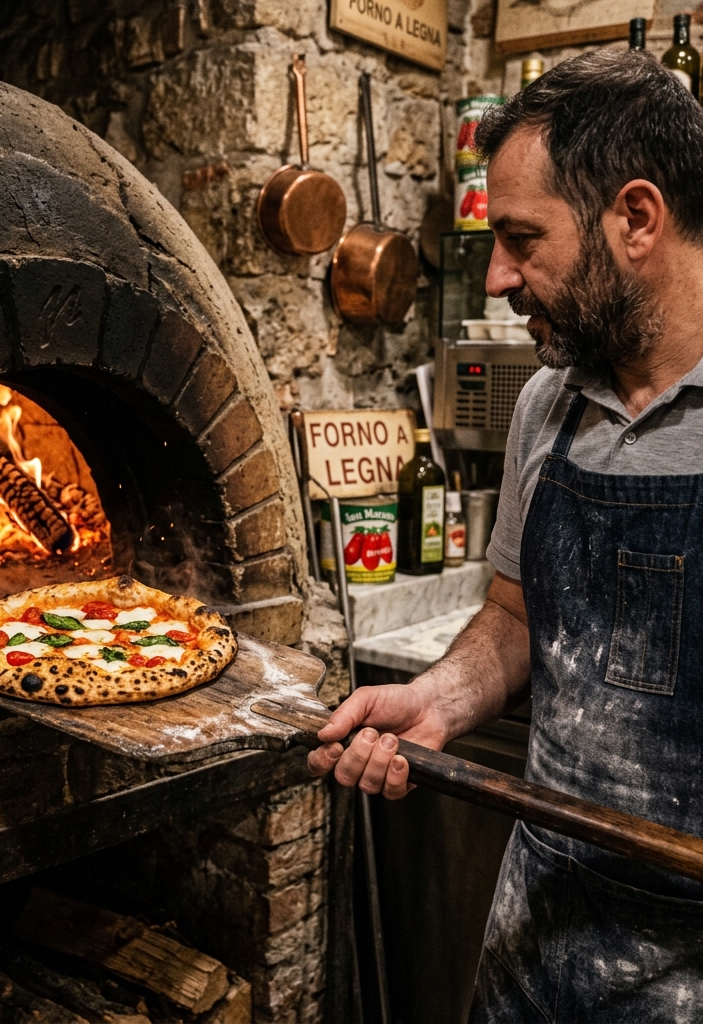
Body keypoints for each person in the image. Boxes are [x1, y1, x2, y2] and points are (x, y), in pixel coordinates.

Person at [307, 49, 703, 1022]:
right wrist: (439, 697)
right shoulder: (545, 406)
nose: (496, 277)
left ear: (637, 218)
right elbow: (517, 618)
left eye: (522, 239)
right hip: (538, 937)